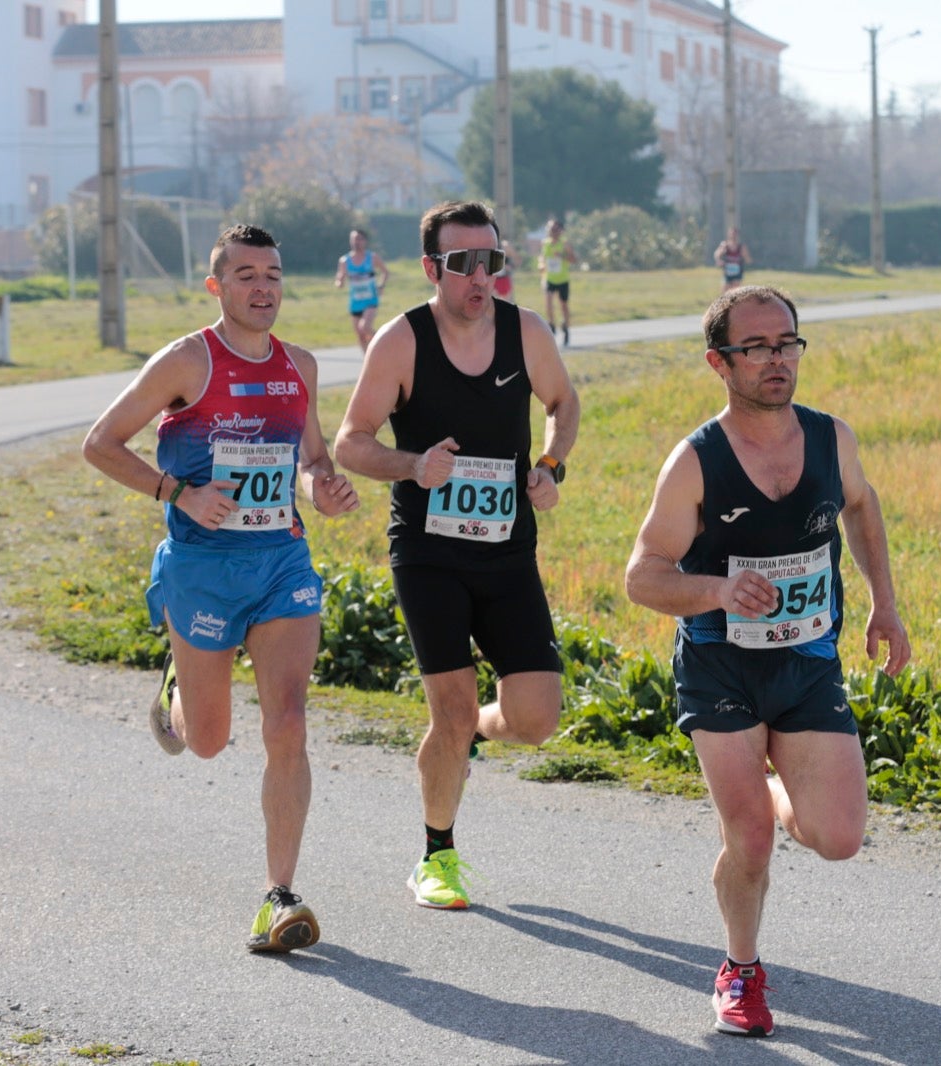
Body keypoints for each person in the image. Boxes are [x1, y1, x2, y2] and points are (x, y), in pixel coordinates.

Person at [624, 285, 911, 1039]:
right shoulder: (696, 462)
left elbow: (861, 504)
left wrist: (884, 603)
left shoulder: (830, 438)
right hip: (721, 667)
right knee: (749, 839)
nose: (776, 359)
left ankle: (775, 783)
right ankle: (740, 971)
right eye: (755, 347)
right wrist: (718, 590)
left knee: (839, 838)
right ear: (719, 363)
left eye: (786, 343)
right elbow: (642, 577)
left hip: (808, 661)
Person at [82, 223, 361, 954]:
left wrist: (324, 488)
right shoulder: (187, 360)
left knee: (288, 722)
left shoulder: (300, 365)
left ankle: (279, 896)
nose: (263, 288)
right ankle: (178, 682)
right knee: (207, 742)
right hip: (203, 567)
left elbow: (311, 457)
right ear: (217, 286)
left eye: (272, 274)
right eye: (246, 276)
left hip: (281, 563)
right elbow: (100, 443)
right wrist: (178, 492)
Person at [333, 200, 580, 912]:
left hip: (507, 554)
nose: (480, 277)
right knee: (450, 706)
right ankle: (437, 855)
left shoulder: (525, 331)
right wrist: (413, 466)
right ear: (430, 268)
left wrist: (551, 466)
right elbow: (351, 441)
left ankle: (468, 729)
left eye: (491, 261)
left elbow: (563, 403)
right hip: (428, 556)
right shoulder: (400, 341)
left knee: (536, 718)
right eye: (464, 263)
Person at [334, 227, 391, 352]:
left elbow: (385, 272)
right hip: (355, 302)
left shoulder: (372, 257)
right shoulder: (345, 260)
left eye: (359, 239)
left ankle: (386, 346)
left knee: (364, 327)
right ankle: (368, 359)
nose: (356, 242)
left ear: (365, 241)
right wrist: (340, 281)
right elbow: (339, 280)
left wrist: (381, 285)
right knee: (360, 335)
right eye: (354, 239)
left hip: (370, 299)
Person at [539, 218, 577, 347]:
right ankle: (551, 325)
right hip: (549, 278)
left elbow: (574, 260)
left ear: (560, 231)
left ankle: (565, 327)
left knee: (563, 305)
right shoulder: (545, 243)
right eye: (550, 229)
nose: (552, 232)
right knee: (548, 302)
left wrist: (563, 256)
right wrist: (541, 264)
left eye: (555, 229)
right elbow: (542, 257)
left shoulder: (565, 244)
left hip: (563, 279)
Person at [714, 226, 752, 291]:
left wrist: (746, 258)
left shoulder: (741, 247)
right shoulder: (725, 245)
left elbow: (748, 260)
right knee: (725, 291)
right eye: (732, 234)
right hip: (727, 272)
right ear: (728, 234)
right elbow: (716, 254)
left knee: (735, 291)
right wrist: (719, 260)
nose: (733, 236)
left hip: (737, 272)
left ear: (737, 235)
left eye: (735, 234)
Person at [494, 239, 516, 303]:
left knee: (506, 300)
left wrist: (507, 267)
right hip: (495, 279)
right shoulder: (494, 248)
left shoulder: (504, 246)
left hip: (504, 278)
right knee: (495, 300)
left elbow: (511, 265)